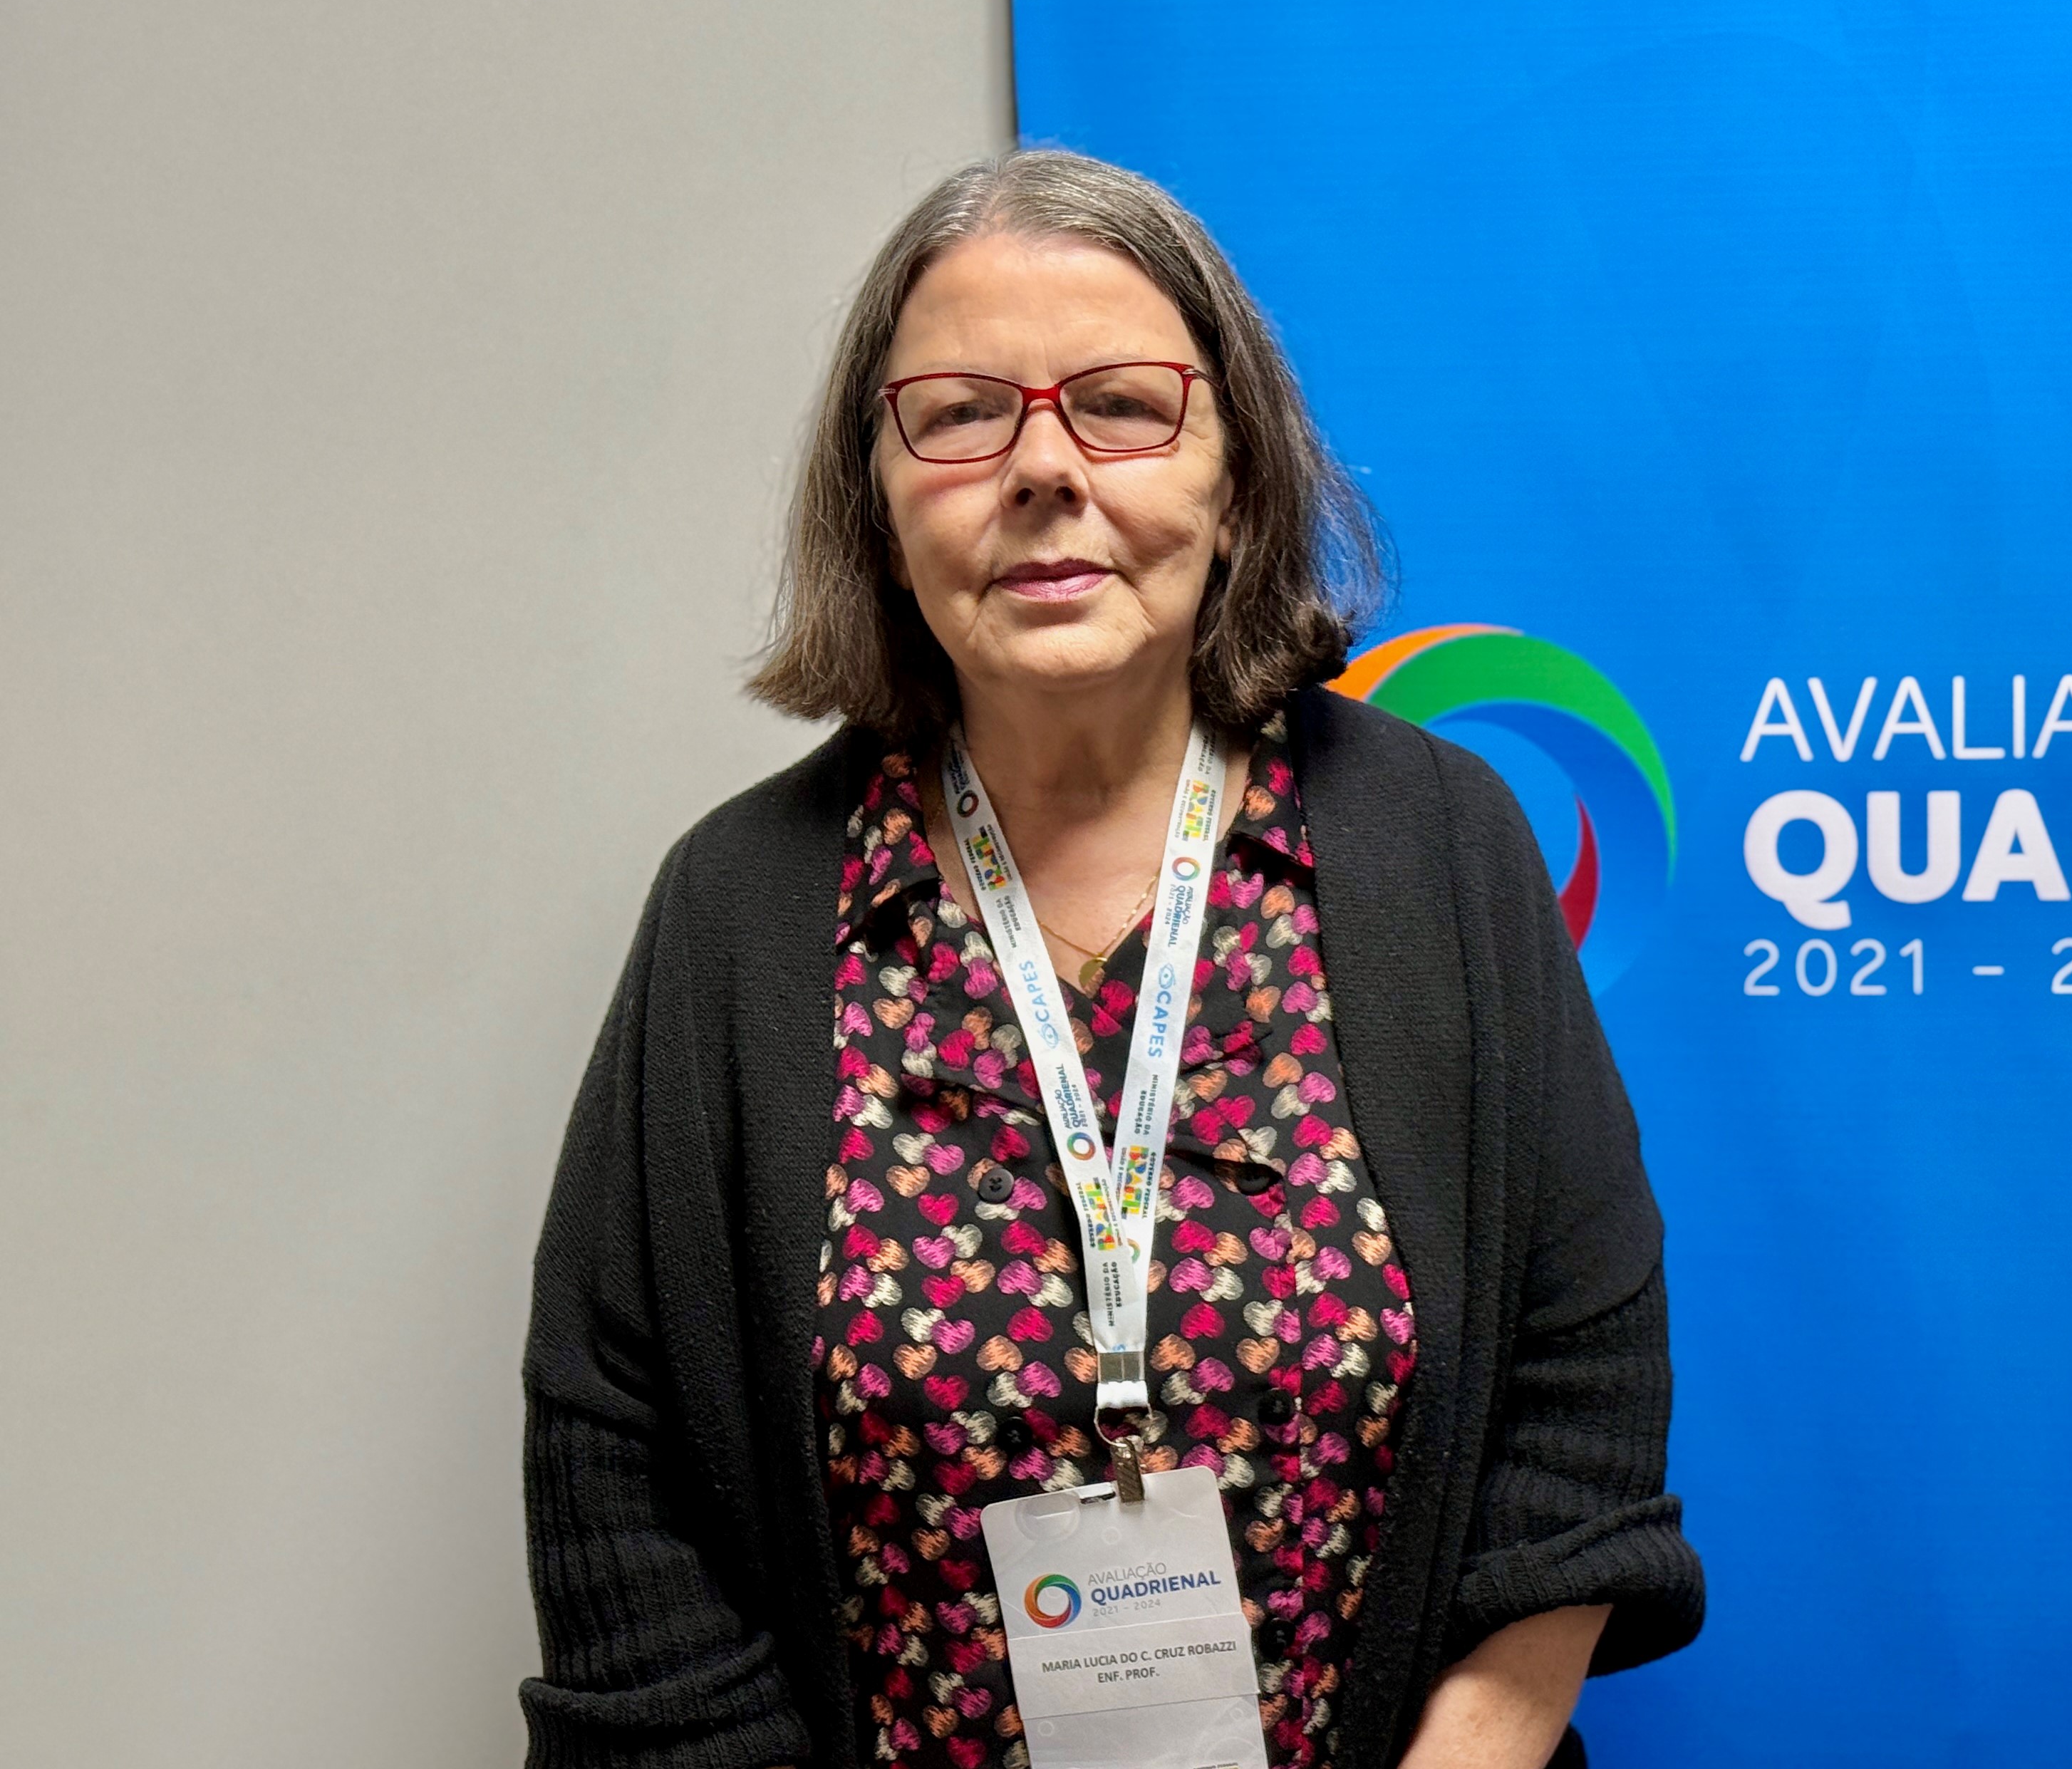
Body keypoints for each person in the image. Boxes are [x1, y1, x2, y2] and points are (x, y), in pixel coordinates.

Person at [519, 149, 1701, 1769]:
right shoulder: (740, 909)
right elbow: (618, 1465)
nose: (1042, 469)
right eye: (958, 415)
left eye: (1123, 406)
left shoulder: (1437, 846)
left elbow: (1582, 1389)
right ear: (877, 497)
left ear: (1239, 476)